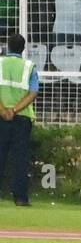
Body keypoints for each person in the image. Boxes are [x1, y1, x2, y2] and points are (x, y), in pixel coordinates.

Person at [0, 33, 38, 207]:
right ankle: (21, 198)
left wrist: (4, 110)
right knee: (20, 158)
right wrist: (15, 110)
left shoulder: (0, 63)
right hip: (22, 117)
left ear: (7, 46)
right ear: (23, 49)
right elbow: (33, 92)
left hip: (1, 116)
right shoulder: (29, 67)